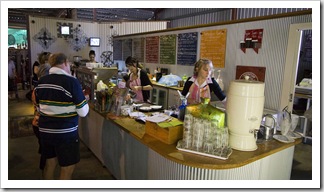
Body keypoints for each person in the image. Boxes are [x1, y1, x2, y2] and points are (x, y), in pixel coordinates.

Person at [34, 53, 89, 180]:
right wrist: (83, 100)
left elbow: (39, 106)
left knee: (50, 163)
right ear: (65, 62)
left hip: (45, 131)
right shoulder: (71, 82)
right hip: (65, 133)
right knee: (67, 168)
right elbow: (83, 112)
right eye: (69, 63)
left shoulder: (41, 81)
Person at [31, 62, 51, 175]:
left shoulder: (38, 88)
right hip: (41, 124)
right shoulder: (41, 90)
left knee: (45, 150)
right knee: (47, 155)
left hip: (37, 123)